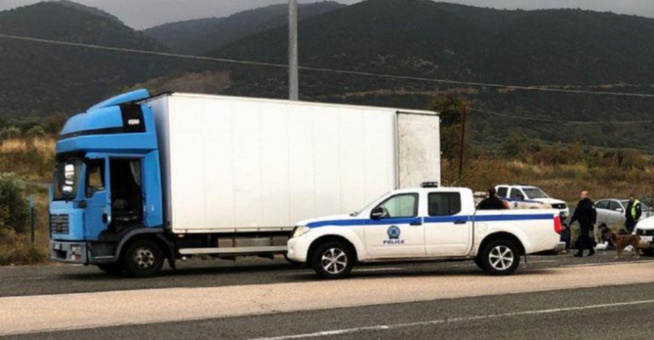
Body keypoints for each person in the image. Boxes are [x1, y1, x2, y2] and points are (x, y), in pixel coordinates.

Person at [569, 190, 597, 257]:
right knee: (586, 237)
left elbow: (593, 213)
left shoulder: (590, 203)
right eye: (581, 194)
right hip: (581, 222)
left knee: (583, 237)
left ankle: (580, 252)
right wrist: (572, 220)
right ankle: (591, 250)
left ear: (586, 195)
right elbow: (577, 212)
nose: (581, 195)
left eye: (582, 194)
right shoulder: (581, 203)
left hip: (587, 223)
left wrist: (592, 223)